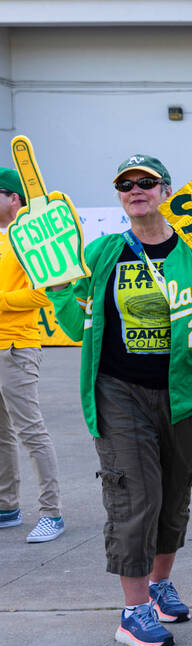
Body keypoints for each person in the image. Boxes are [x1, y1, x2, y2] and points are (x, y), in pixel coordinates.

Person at [47, 154, 192, 646]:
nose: (135, 189)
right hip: (118, 391)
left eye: (146, 182)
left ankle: (160, 585)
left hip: (183, 393)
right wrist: (56, 286)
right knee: (133, 496)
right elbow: (68, 316)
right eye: (126, 184)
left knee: (173, 494)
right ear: (120, 195)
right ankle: (133, 610)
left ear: (166, 191)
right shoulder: (102, 253)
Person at [0, 167, 66, 542]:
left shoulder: (30, 240)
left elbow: (46, 292)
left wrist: (1, 302)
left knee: (30, 431)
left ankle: (52, 513)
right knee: (0, 434)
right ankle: (7, 507)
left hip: (17, 347)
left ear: (14, 198)